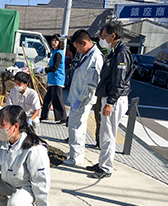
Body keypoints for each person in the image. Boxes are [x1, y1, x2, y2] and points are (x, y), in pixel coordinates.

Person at [87, 21, 133, 179]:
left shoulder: (121, 53)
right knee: (105, 132)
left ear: (113, 36)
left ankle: (106, 167)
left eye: (104, 36)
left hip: (114, 99)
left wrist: (110, 103)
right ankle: (102, 163)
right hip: (110, 97)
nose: (101, 39)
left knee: (108, 134)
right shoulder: (115, 51)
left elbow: (119, 82)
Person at [63, 30, 104, 166]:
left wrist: (81, 100)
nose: (77, 50)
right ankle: (74, 151)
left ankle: (76, 157)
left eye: (77, 47)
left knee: (76, 128)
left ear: (84, 42)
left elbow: (91, 84)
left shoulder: (95, 58)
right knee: (77, 127)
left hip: (82, 100)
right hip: (78, 98)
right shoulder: (87, 55)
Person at [40, 34, 67, 124]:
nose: (53, 42)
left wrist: (44, 70)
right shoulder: (54, 52)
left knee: (57, 99)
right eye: (52, 40)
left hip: (57, 80)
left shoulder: (58, 53)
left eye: (56, 41)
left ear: (59, 42)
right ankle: (43, 116)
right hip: (52, 80)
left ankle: (63, 118)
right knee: (47, 99)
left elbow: (55, 67)